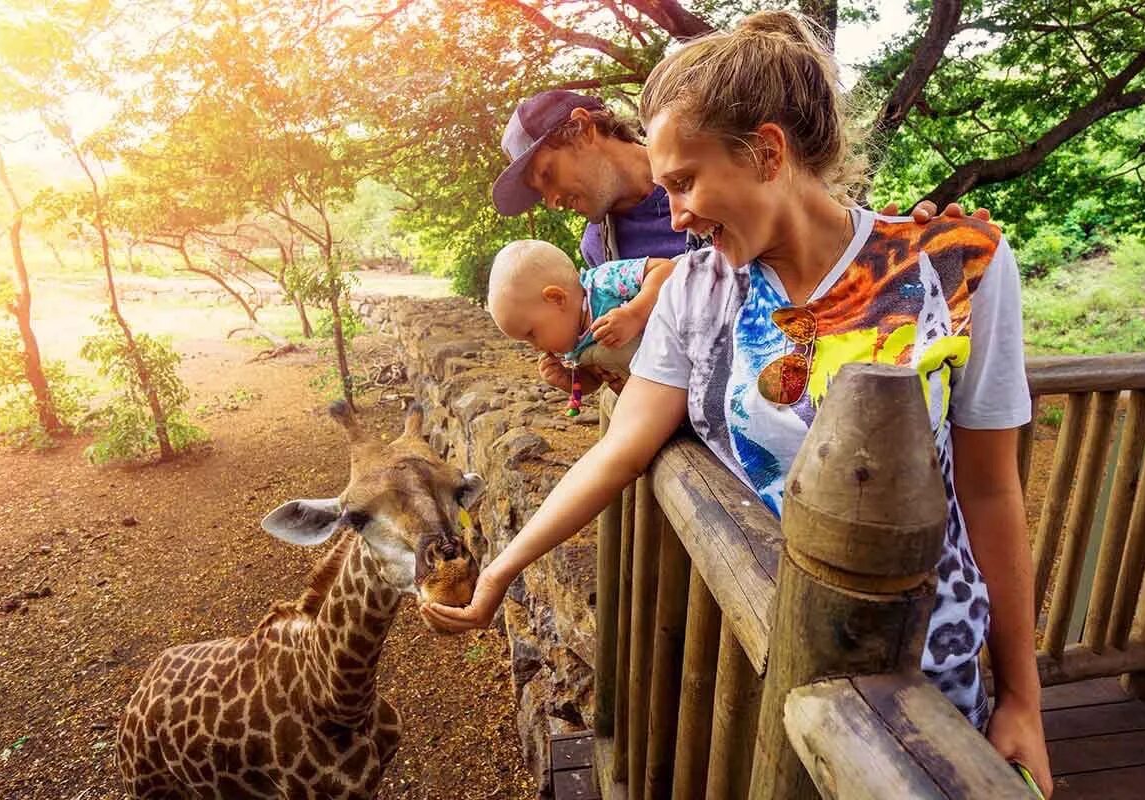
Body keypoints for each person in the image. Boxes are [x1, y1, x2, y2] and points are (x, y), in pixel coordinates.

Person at [436, 10, 1051, 796]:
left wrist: (1024, 699)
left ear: (766, 151)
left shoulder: (959, 267)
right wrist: (502, 570)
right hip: (762, 651)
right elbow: (620, 448)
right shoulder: (697, 290)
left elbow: (993, 489)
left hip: (926, 670)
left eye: (686, 182)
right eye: (665, 189)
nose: (679, 215)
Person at [491, 89, 990, 395]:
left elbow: (829, 242)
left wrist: (918, 243)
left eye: (548, 175)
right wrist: (591, 373)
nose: (552, 200)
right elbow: (645, 368)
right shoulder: (599, 253)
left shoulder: (722, 168)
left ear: (580, 130)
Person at [488, 240, 676, 386]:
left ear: (556, 299)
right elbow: (594, 382)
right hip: (655, 387)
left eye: (532, 334)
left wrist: (635, 314)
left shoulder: (603, 282)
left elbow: (666, 269)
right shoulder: (574, 346)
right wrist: (568, 379)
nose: (535, 347)